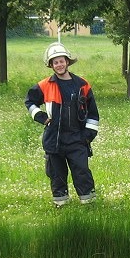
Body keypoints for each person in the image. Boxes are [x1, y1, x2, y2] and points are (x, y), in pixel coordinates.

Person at [25, 42, 100, 207]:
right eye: (55, 62)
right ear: (51, 65)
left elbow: (93, 114)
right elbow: (29, 101)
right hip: (54, 140)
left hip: (77, 140)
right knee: (57, 176)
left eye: (61, 61)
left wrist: (87, 137)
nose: (59, 65)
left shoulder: (83, 85)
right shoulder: (44, 85)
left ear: (67, 61)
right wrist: (41, 117)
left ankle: (89, 205)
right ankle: (61, 205)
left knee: (82, 173)